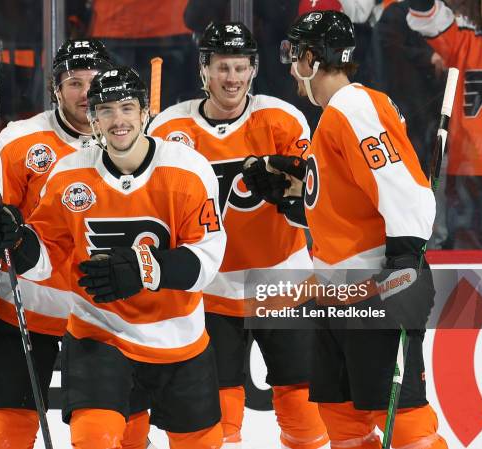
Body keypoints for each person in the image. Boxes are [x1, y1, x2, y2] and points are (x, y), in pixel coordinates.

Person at [0, 66, 227, 449]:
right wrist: (16, 240)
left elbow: (206, 258)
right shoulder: (69, 174)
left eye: (127, 108)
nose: (118, 120)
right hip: (98, 332)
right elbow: (46, 255)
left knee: (201, 443)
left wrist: (145, 269)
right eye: (106, 110)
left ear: (145, 113)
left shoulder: (188, 169)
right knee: (94, 439)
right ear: (93, 119)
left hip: (178, 337)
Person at [246, 11, 448, 449]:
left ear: (314, 59)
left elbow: (406, 189)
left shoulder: (355, 106)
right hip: (336, 290)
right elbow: (344, 208)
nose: (291, 66)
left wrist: (405, 260)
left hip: (376, 288)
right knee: (341, 416)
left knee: (403, 419)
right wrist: (293, 199)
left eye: (295, 55)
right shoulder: (335, 116)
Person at [0, 40, 153, 449]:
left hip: (107, 311)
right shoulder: (22, 140)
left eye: (94, 81)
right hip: (31, 302)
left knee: (123, 434)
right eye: (74, 82)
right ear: (55, 89)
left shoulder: (136, 140)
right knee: (7, 434)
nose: (86, 92)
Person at [149, 22, 328, 449]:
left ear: (254, 70)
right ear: (204, 70)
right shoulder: (169, 128)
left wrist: (291, 196)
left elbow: (316, 201)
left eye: (241, 67)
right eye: (223, 67)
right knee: (217, 421)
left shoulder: (283, 118)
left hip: (284, 284)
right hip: (210, 291)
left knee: (305, 413)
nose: (232, 77)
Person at [407, 0, 482, 249]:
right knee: (469, 272)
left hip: (469, 179)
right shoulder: (462, 40)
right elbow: (425, 13)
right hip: (468, 179)